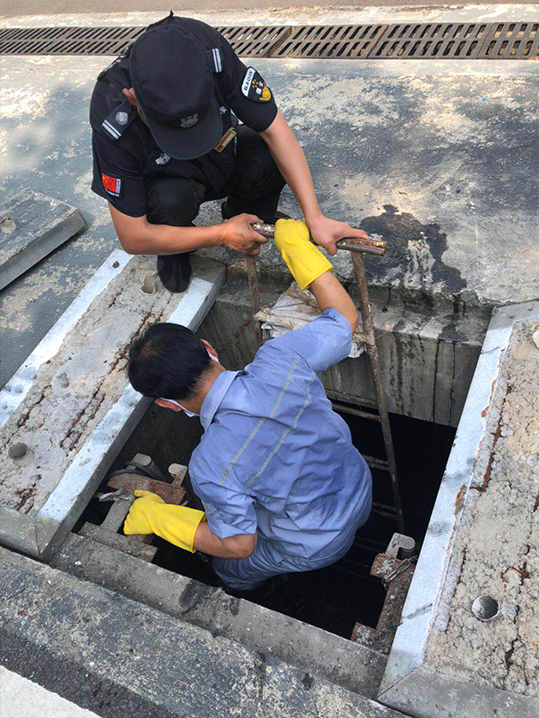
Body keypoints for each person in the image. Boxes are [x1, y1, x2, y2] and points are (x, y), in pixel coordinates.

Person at [124, 219, 372, 592]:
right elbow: (344, 318)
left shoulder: (211, 465)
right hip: (359, 489)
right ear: (208, 348)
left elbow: (240, 546)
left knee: (230, 570)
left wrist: (160, 519)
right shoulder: (282, 357)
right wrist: (298, 251)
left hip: (316, 543)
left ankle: (257, 592)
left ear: (166, 403)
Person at [89, 12, 369, 293]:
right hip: (170, 181)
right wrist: (220, 235)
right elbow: (133, 236)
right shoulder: (111, 113)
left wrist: (315, 217)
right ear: (133, 98)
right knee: (169, 200)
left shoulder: (208, 52)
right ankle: (175, 246)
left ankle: (246, 216)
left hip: (220, 153)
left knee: (265, 151)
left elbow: (276, 131)